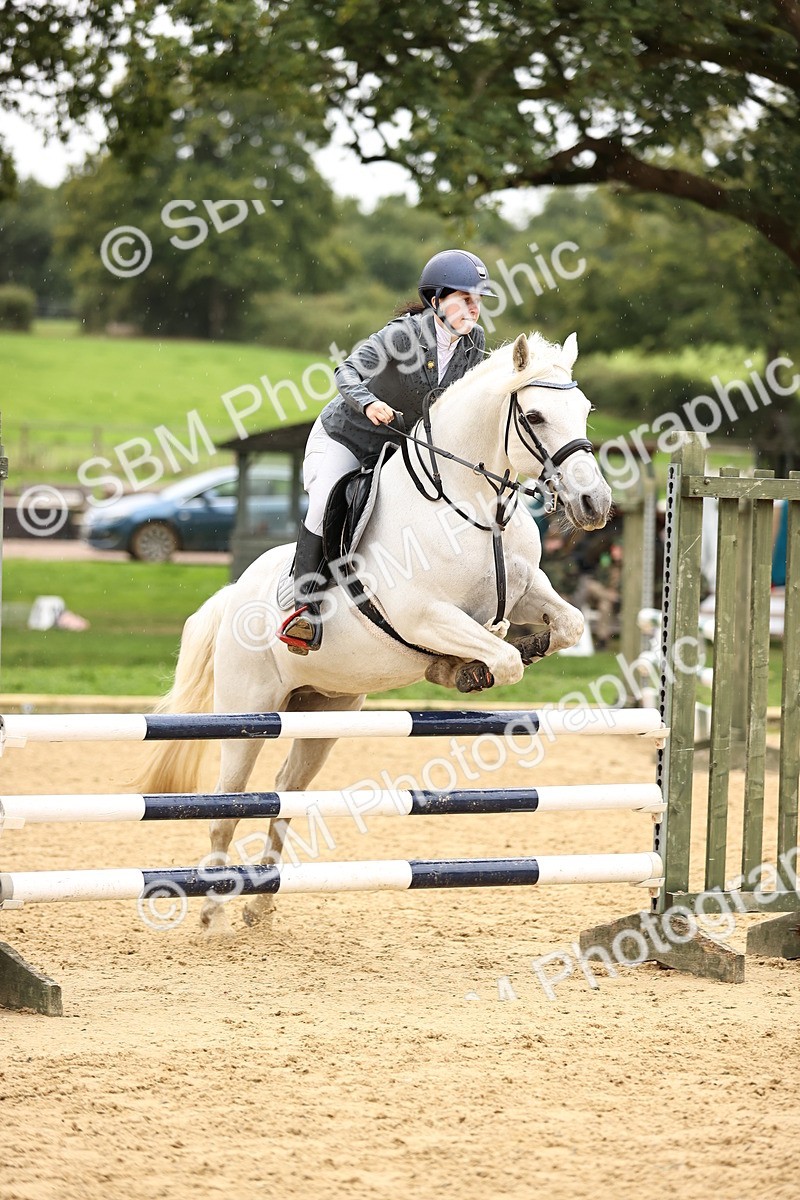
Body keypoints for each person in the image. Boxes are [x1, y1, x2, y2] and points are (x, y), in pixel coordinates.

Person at [278, 249, 495, 654]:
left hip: (398, 446)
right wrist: (368, 403)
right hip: (347, 436)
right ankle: (304, 609)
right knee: (325, 501)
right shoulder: (403, 335)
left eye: (478, 300)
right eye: (465, 298)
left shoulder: (474, 342)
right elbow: (346, 371)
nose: (474, 308)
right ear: (436, 300)